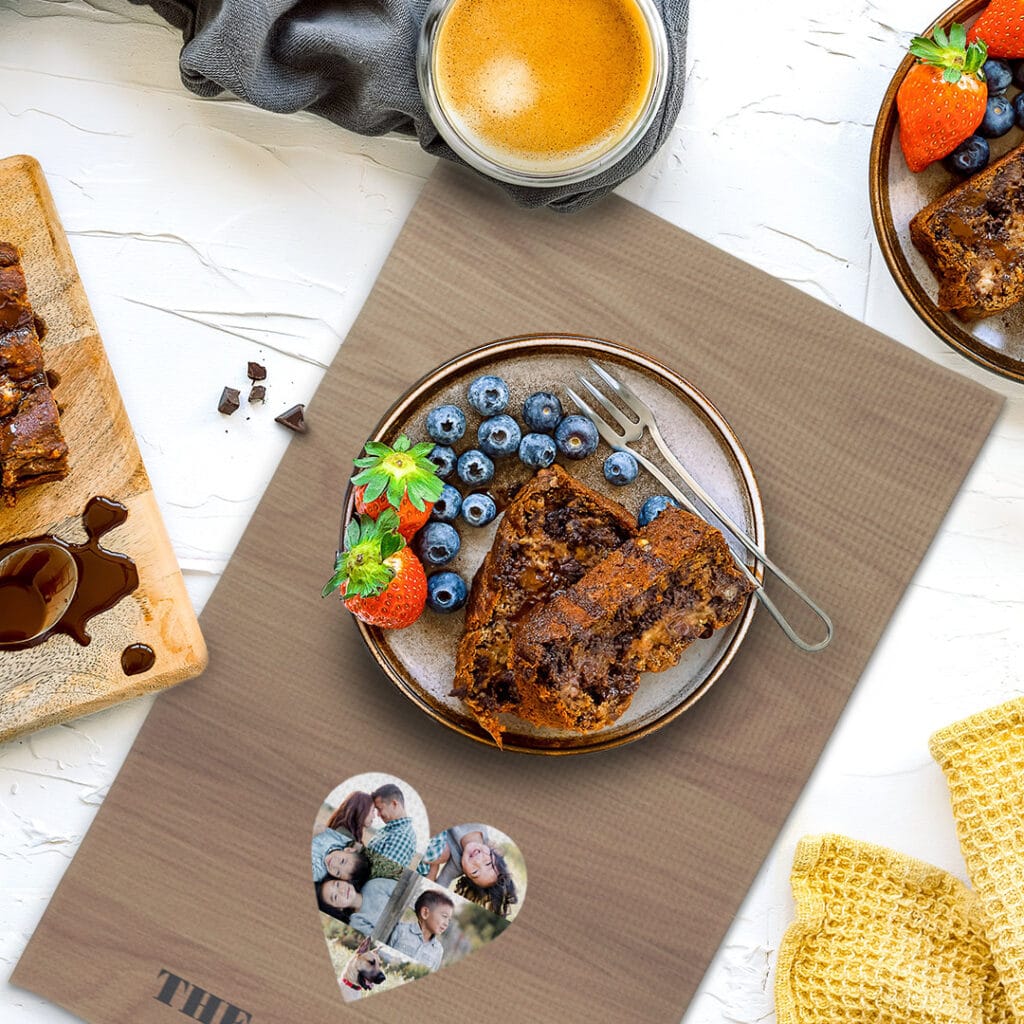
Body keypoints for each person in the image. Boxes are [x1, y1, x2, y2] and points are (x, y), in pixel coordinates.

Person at [417, 824, 518, 918]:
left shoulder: (457, 866)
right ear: (494, 852)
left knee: (442, 854)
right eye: (487, 863)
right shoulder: (479, 826)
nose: (477, 860)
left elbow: (437, 885)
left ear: (466, 875)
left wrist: (434, 867)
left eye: (475, 872)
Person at [387, 889, 453, 972]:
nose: (446, 923)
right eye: (444, 916)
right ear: (425, 913)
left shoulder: (438, 950)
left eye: (449, 920)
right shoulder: (401, 930)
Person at [316, 875, 398, 937]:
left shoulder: (374, 885)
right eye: (335, 897)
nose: (342, 890)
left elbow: (405, 893)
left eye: (337, 884)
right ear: (337, 909)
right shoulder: (357, 923)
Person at [365, 783, 417, 869]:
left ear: (394, 804)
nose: (378, 814)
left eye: (380, 809)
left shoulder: (402, 835)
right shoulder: (389, 829)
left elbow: (380, 872)